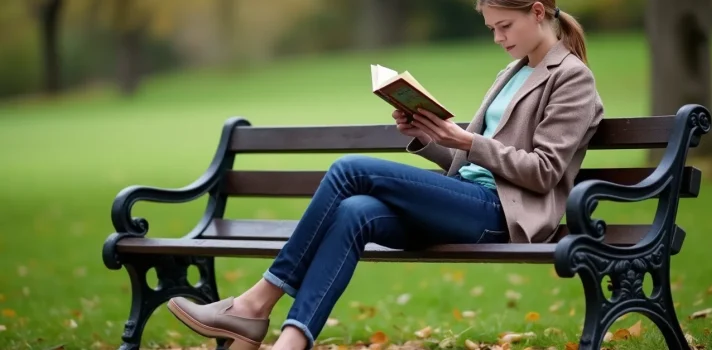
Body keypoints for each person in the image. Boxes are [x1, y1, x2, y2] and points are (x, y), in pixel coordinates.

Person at [165, 0, 604, 349]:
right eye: (492, 28)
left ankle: (255, 303)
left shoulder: (572, 79)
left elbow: (544, 172)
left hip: (502, 215)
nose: (497, 37)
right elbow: (468, 162)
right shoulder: (513, 71)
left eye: (504, 26)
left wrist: (466, 140)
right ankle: (291, 341)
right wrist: (429, 134)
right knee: (355, 211)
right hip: (466, 198)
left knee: (349, 169)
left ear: (538, 12)